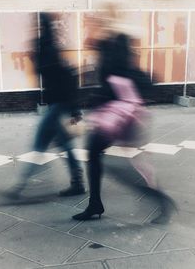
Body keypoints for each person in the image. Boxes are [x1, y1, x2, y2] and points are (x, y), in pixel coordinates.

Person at [72, 30, 176, 224]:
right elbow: (151, 81)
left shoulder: (110, 65)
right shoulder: (129, 67)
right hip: (132, 120)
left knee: (102, 159)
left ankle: (158, 199)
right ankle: (97, 203)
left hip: (114, 121)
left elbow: (104, 92)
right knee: (111, 158)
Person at [7, 13, 85, 199]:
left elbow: (61, 77)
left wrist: (75, 110)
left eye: (37, 24)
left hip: (58, 106)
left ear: (42, 26)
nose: (33, 27)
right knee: (64, 145)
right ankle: (78, 183)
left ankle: (22, 186)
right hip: (56, 105)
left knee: (40, 143)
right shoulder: (47, 46)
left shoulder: (47, 48)